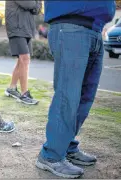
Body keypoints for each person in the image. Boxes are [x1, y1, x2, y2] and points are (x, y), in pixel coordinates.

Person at [36, 1, 116, 178]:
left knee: (85, 97)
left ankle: (66, 145)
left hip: (95, 29)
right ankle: (51, 155)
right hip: (71, 24)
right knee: (68, 96)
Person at [5, 0, 42, 105]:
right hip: (17, 28)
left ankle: (11, 88)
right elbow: (29, 4)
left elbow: (37, 10)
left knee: (22, 60)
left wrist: (35, 4)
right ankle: (24, 94)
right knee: (25, 59)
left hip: (26, 28)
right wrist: (36, 3)